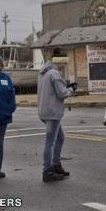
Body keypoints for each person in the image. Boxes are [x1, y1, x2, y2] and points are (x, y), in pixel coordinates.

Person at [37, 49, 77, 182]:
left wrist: (65, 86)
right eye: (64, 63)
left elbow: (53, 90)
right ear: (59, 61)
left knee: (60, 138)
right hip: (53, 112)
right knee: (50, 142)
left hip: (44, 111)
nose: (64, 66)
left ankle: (56, 165)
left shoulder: (43, 72)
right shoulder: (54, 73)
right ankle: (47, 170)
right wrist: (71, 89)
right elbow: (62, 93)